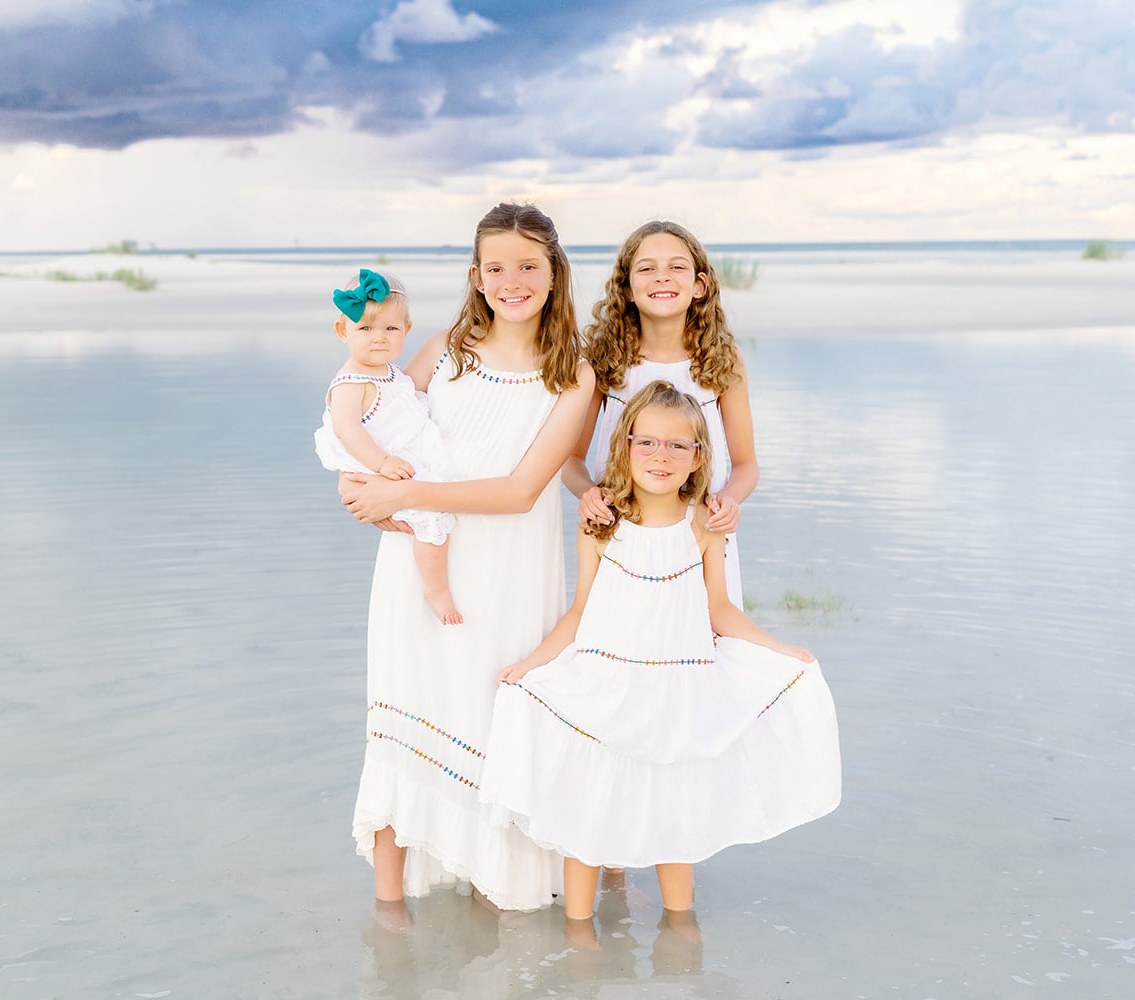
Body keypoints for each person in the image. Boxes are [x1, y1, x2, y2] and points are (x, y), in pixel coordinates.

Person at [482, 381, 841, 922]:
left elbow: (718, 610)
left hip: (678, 692)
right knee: (590, 813)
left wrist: (778, 647)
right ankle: (580, 940)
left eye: (678, 446)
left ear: (698, 458)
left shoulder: (704, 524)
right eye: (646, 442)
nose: (661, 456)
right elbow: (580, 612)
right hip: (604, 687)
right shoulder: (601, 521)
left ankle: (681, 939)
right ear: (624, 446)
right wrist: (532, 665)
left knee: (677, 817)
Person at [341, 202, 596, 913]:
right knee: (402, 714)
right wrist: (356, 479)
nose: (512, 280)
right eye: (496, 266)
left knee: (494, 727)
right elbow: (376, 421)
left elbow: (522, 491)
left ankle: (495, 904)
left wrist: (411, 490)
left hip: (509, 570)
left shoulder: (573, 373)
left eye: (528, 265)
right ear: (475, 275)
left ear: (554, 272)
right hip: (421, 566)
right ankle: (388, 919)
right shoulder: (446, 347)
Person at [562, 220, 758, 607]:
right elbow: (570, 459)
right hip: (622, 530)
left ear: (699, 285)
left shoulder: (722, 360)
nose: (662, 277)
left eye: (677, 267)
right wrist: (590, 494)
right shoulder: (604, 360)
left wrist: (727, 502)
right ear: (627, 287)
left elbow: (747, 465)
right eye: (647, 268)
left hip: (702, 533)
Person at [315, 268, 461, 625]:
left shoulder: (392, 373)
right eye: (364, 329)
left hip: (400, 456)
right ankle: (436, 589)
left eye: (390, 329)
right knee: (431, 518)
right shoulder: (350, 383)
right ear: (342, 331)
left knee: (437, 502)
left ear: (406, 331)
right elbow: (348, 430)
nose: (378, 338)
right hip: (379, 462)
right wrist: (381, 464)